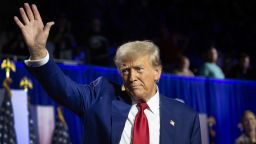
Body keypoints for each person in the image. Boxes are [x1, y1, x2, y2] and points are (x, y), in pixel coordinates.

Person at [14, 3, 201, 144]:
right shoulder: (100, 98)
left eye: (138, 69)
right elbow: (63, 89)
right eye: (125, 70)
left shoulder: (185, 116)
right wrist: (39, 53)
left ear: (157, 72)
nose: (131, 77)